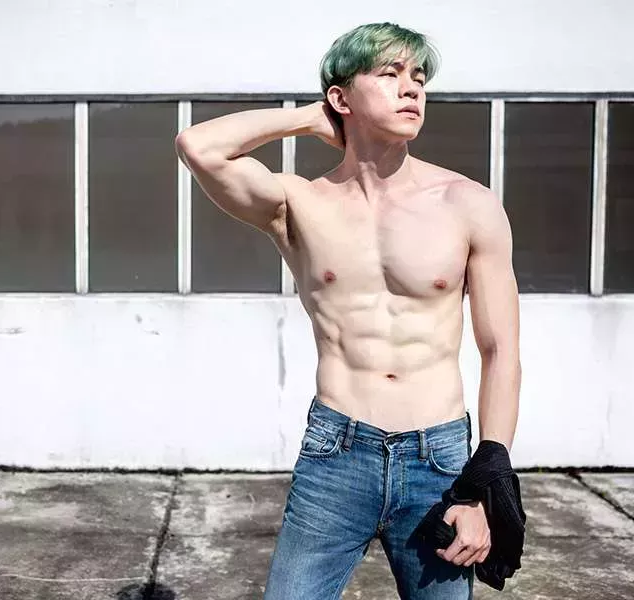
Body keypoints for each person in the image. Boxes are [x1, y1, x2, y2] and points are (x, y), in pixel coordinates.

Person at [175, 22, 521, 600]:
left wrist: (488, 477)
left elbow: (500, 349)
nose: (411, 89)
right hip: (336, 454)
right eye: (389, 74)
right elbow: (197, 145)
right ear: (341, 98)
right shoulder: (300, 203)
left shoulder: (468, 204)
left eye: (419, 77)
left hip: (438, 461)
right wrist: (311, 118)